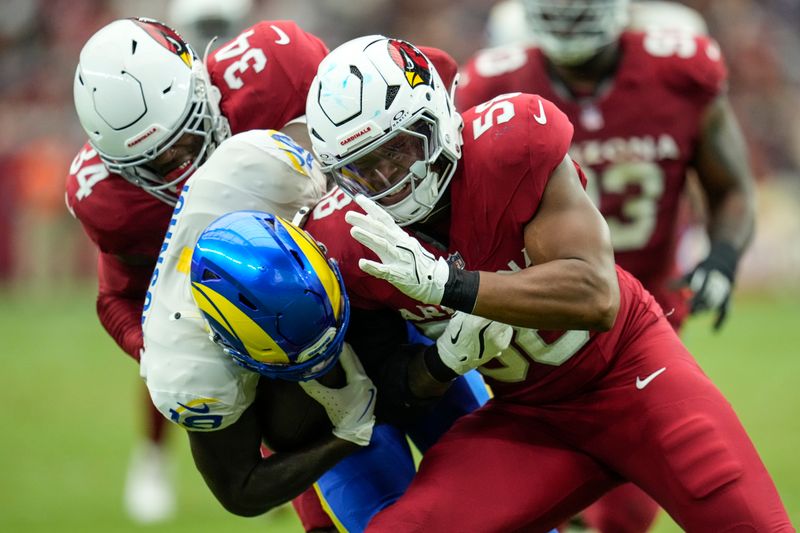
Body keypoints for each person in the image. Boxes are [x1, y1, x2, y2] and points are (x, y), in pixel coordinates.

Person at [301, 35, 792, 531]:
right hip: (529, 417)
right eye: (364, 169)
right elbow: (389, 387)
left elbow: (594, 293)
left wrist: (447, 284)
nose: (391, 177)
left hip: (636, 377)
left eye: (401, 148)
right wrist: (441, 361)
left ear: (438, 118)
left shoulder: (511, 145)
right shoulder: (345, 236)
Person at [455, 1, 757, 529]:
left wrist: (723, 258)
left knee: (622, 514)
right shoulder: (491, 87)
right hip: (534, 315)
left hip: (646, 318)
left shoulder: (678, 72)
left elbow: (731, 187)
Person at [139, 128, 493, 532]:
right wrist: (343, 437)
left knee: (494, 485)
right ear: (234, 351)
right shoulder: (192, 372)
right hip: (309, 411)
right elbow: (240, 490)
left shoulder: (263, 169)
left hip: (369, 313)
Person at [67, 16, 329, 525]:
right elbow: (115, 297)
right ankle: (154, 459)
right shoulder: (109, 200)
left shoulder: (276, 68)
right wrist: (160, 347)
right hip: (266, 338)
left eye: (187, 143)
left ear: (201, 90)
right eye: (157, 166)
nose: (183, 169)